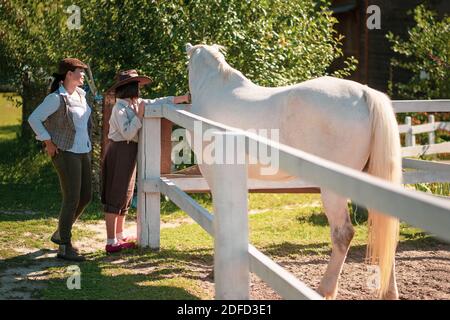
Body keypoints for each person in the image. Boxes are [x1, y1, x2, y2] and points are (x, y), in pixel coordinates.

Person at [102, 69, 189, 253]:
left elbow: (159, 101)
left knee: (125, 194)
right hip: (119, 150)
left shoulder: (135, 104)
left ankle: (119, 235)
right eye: (137, 85)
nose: (139, 89)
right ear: (129, 88)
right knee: (115, 194)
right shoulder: (119, 108)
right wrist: (140, 116)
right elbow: (127, 133)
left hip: (129, 151)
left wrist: (180, 98)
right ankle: (111, 241)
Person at [28, 58, 92, 262]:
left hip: (83, 150)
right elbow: (33, 119)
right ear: (68, 75)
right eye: (79, 71)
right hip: (65, 152)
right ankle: (64, 246)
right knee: (72, 197)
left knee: (86, 196)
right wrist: (48, 142)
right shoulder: (56, 98)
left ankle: (59, 233)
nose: (83, 75)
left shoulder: (81, 95)